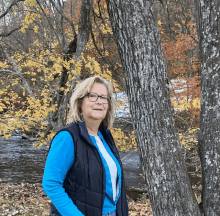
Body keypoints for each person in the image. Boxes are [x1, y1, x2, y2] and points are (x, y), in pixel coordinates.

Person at [43, 76, 128, 216]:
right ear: (80, 102)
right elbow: (51, 184)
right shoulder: (68, 137)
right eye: (92, 96)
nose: (99, 101)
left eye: (103, 97)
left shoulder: (105, 137)